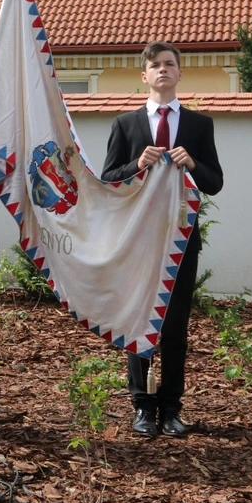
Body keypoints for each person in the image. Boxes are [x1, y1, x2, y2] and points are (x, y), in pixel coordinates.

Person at [101, 41, 223, 438]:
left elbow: (215, 182)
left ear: (180, 73)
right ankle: (141, 406)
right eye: (155, 65)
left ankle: (171, 408)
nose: (163, 70)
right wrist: (136, 164)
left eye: (170, 64)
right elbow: (108, 180)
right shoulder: (126, 124)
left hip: (182, 241)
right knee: (140, 321)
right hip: (139, 241)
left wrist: (193, 163)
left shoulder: (199, 125)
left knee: (175, 327)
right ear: (144, 75)